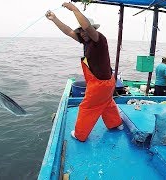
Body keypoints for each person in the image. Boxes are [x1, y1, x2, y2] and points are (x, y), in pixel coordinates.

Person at [45, 2, 123, 142]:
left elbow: (86, 26)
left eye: (85, 30)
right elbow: (69, 31)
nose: (82, 32)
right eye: (80, 31)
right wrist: (54, 19)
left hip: (99, 85)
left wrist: (74, 9)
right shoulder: (85, 41)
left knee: (87, 107)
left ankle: (80, 135)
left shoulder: (99, 39)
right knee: (107, 103)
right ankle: (116, 124)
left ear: (93, 29)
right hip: (108, 82)